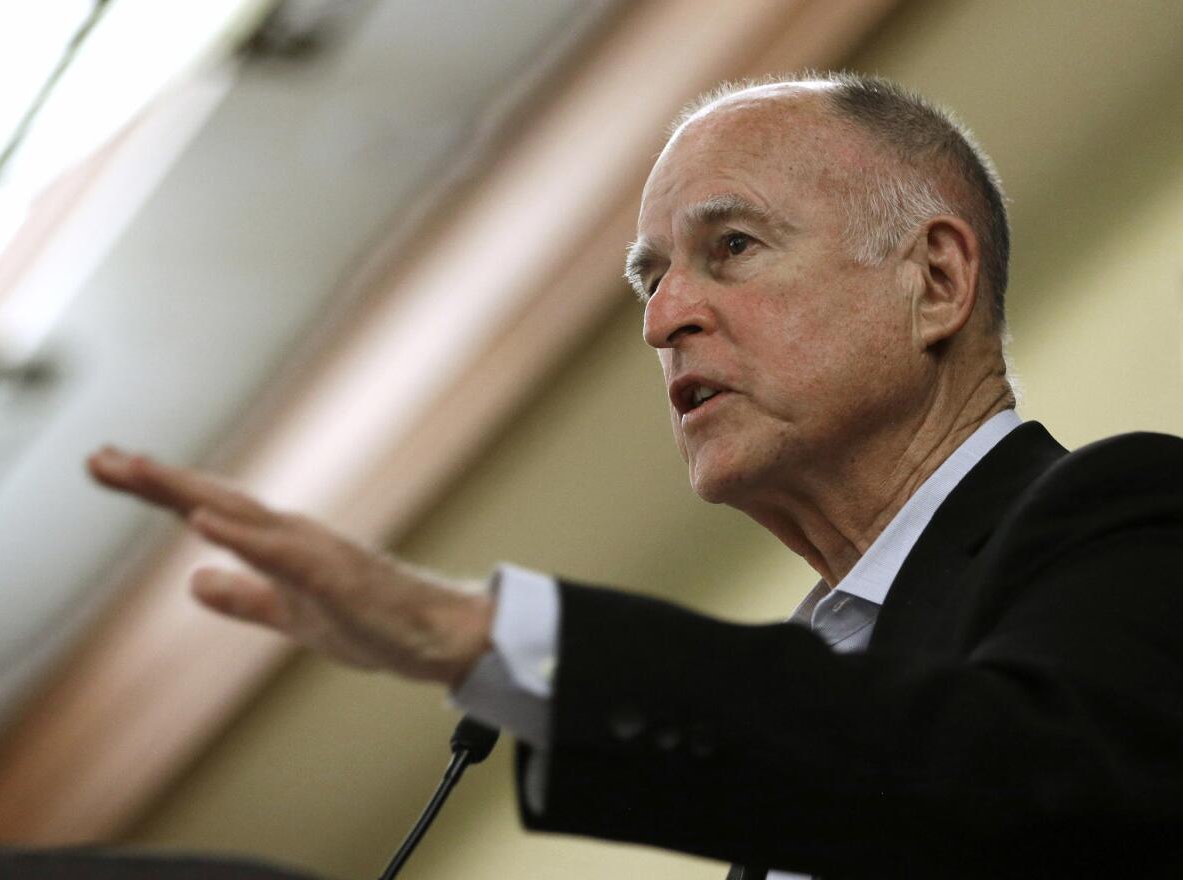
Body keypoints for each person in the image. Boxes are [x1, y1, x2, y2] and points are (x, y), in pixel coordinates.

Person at [88, 73, 1183, 879]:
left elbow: (1018, 792)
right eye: (648, 280)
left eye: (735, 247)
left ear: (935, 279)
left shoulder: (1129, 511)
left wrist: (490, 639)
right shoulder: (825, 687)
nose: (664, 318)